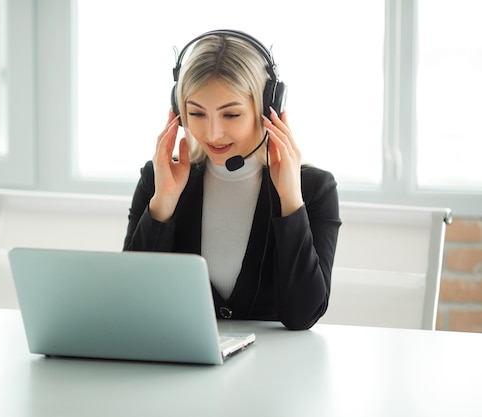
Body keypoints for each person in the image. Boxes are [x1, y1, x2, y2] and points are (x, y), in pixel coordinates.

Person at [123, 29, 341, 330]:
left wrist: (290, 202)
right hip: (182, 366)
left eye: (231, 115)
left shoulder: (314, 189)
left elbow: (302, 315)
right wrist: (163, 204)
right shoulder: (158, 178)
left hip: (277, 369)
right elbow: (131, 302)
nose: (213, 134)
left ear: (267, 108)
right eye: (197, 114)